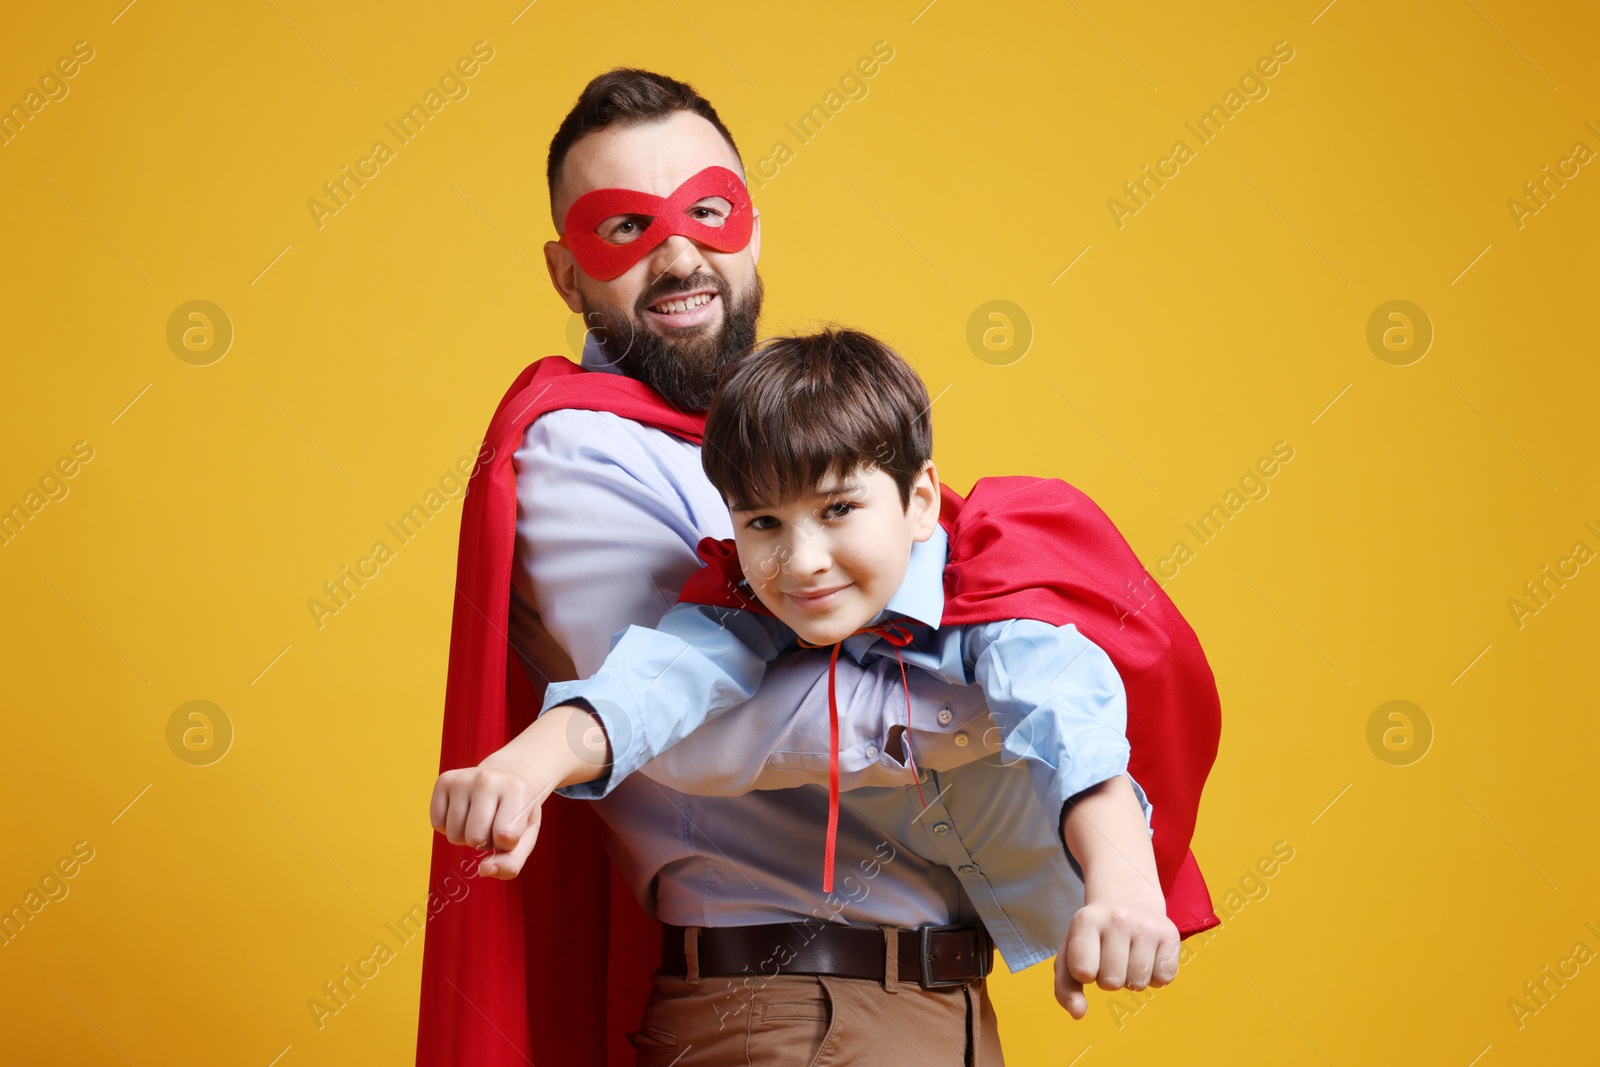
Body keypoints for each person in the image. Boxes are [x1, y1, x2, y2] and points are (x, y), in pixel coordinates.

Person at [418, 68, 1220, 1067]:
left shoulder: (948, 563)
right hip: (798, 1009)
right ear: (565, 271)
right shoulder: (587, 446)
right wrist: (525, 765)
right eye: (622, 228)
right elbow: (684, 716)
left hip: (930, 1003)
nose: (678, 254)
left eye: (708, 211)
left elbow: (1072, 714)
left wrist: (1113, 877)